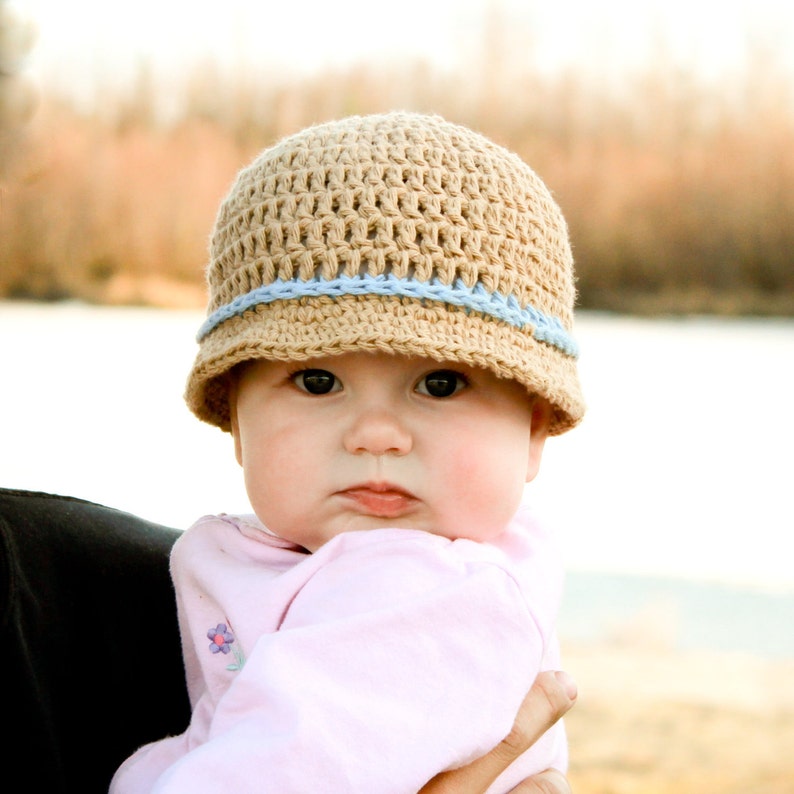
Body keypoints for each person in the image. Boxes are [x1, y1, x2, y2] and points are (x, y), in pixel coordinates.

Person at [110, 111, 586, 793]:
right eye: (317, 381)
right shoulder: (298, 562)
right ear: (235, 419)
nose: (376, 435)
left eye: (441, 383)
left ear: (535, 430)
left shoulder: (422, 593)